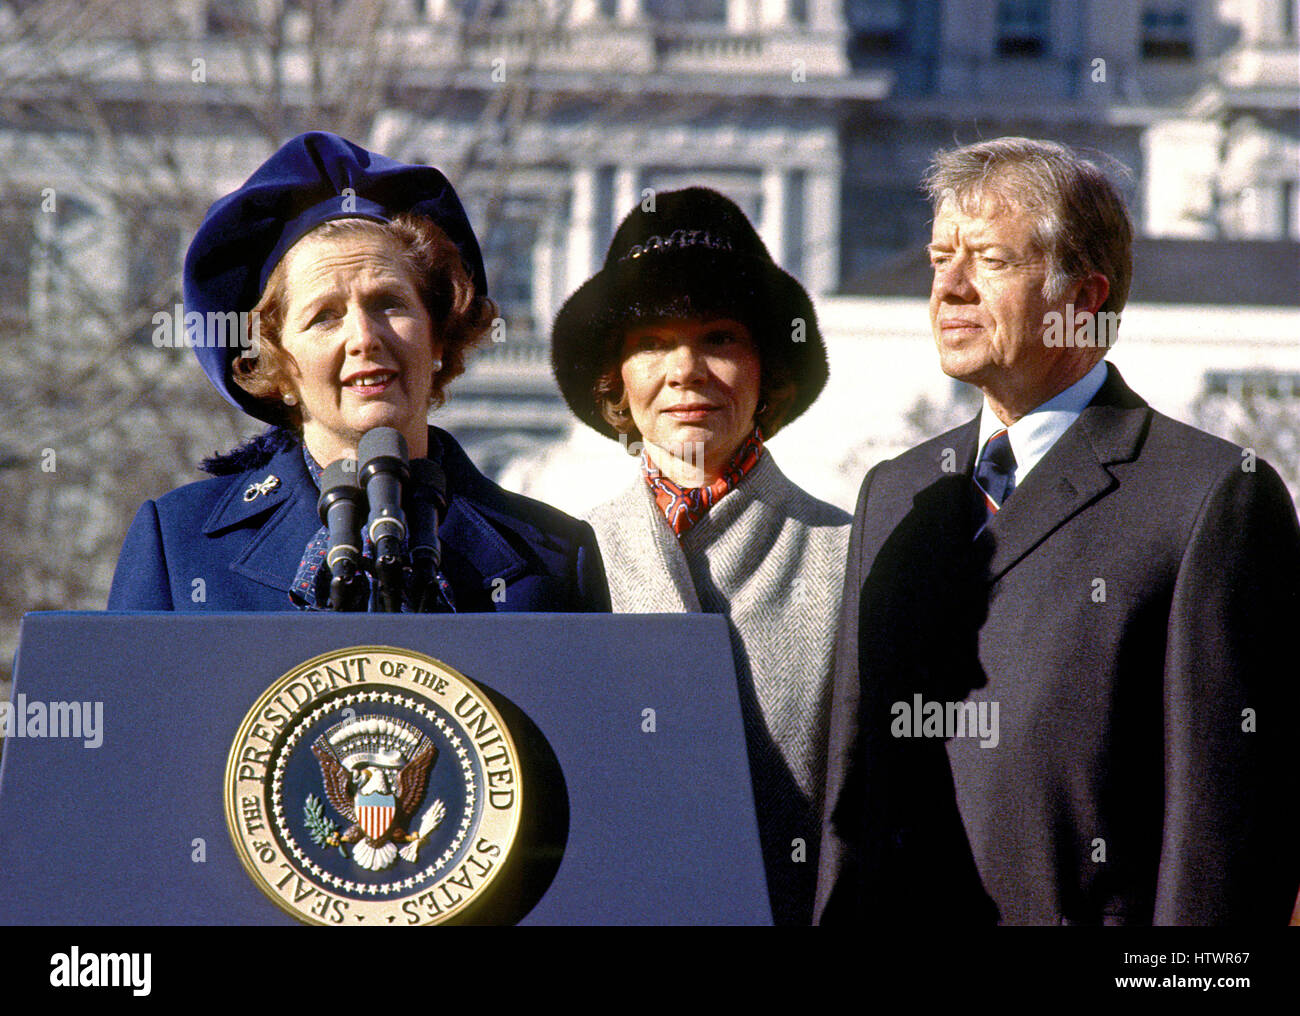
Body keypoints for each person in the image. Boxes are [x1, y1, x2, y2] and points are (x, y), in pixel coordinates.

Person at [816, 137, 1300, 926]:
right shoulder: (895, 494)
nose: (949, 287)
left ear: (1085, 295)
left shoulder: (1212, 497)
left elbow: (1228, 833)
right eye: (941, 257)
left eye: (991, 261)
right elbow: (852, 779)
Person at [108, 131, 609, 614]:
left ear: (438, 335)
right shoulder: (179, 545)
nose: (365, 337)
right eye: (325, 316)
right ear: (277, 365)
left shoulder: (556, 556)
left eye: (389, 304)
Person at [550, 187, 851, 925]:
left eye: (719, 337)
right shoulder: (562, 562)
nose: (685, 370)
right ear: (614, 377)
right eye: (652, 343)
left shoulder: (854, 557)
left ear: (766, 369)